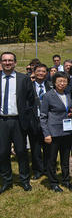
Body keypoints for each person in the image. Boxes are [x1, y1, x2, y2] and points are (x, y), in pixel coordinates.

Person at [0, 52, 36, 193]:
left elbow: (31, 99)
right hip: (2, 121)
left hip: (18, 121)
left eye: (10, 60)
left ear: (15, 63)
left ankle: (24, 180)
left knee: (21, 151)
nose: (7, 63)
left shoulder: (23, 79)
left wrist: (25, 115)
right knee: (2, 152)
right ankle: (7, 180)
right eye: (4, 60)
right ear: (1, 62)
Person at [40, 71, 72, 192]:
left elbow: (68, 108)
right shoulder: (48, 96)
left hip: (67, 132)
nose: (62, 83)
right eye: (59, 81)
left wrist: (71, 112)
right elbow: (43, 116)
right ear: (54, 82)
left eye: (64, 81)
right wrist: (46, 134)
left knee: (65, 159)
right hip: (53, 132)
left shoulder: (68, 94)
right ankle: (53, 182)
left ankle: (66, 180)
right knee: (52, 159)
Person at [30, 64, 51, 180]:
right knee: (35, 146)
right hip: (34, 119)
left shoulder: (50, 86)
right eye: (38, 71)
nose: (41, 73)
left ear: (46, 73)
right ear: (34, 72)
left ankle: (48, 168)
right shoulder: (29, 86)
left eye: (43, 71)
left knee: (48, 146)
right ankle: (38, 169)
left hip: (47, 120)